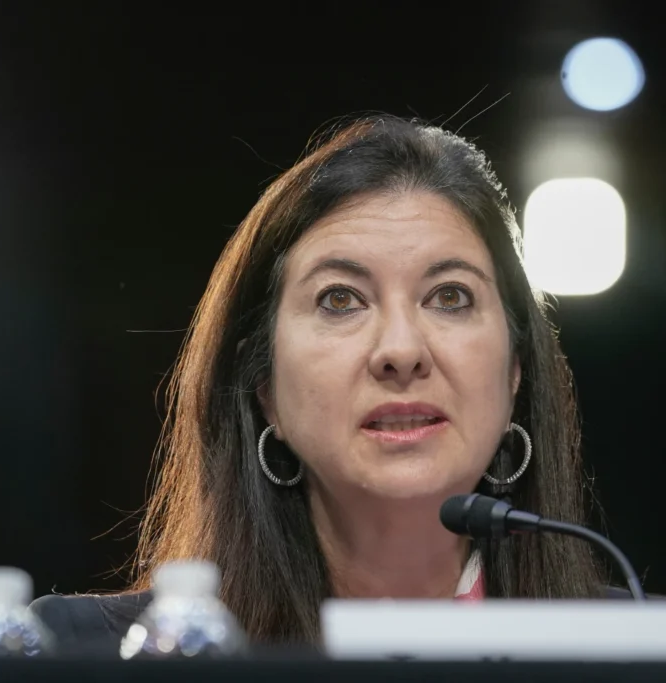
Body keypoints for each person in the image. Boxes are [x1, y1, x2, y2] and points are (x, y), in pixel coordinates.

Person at [30, 114, 624, 652]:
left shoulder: (644, 650)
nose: (401, 351)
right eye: (341, 300)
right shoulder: (95, 653)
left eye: (450, 297)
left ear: (515, 369)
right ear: (263, 386)